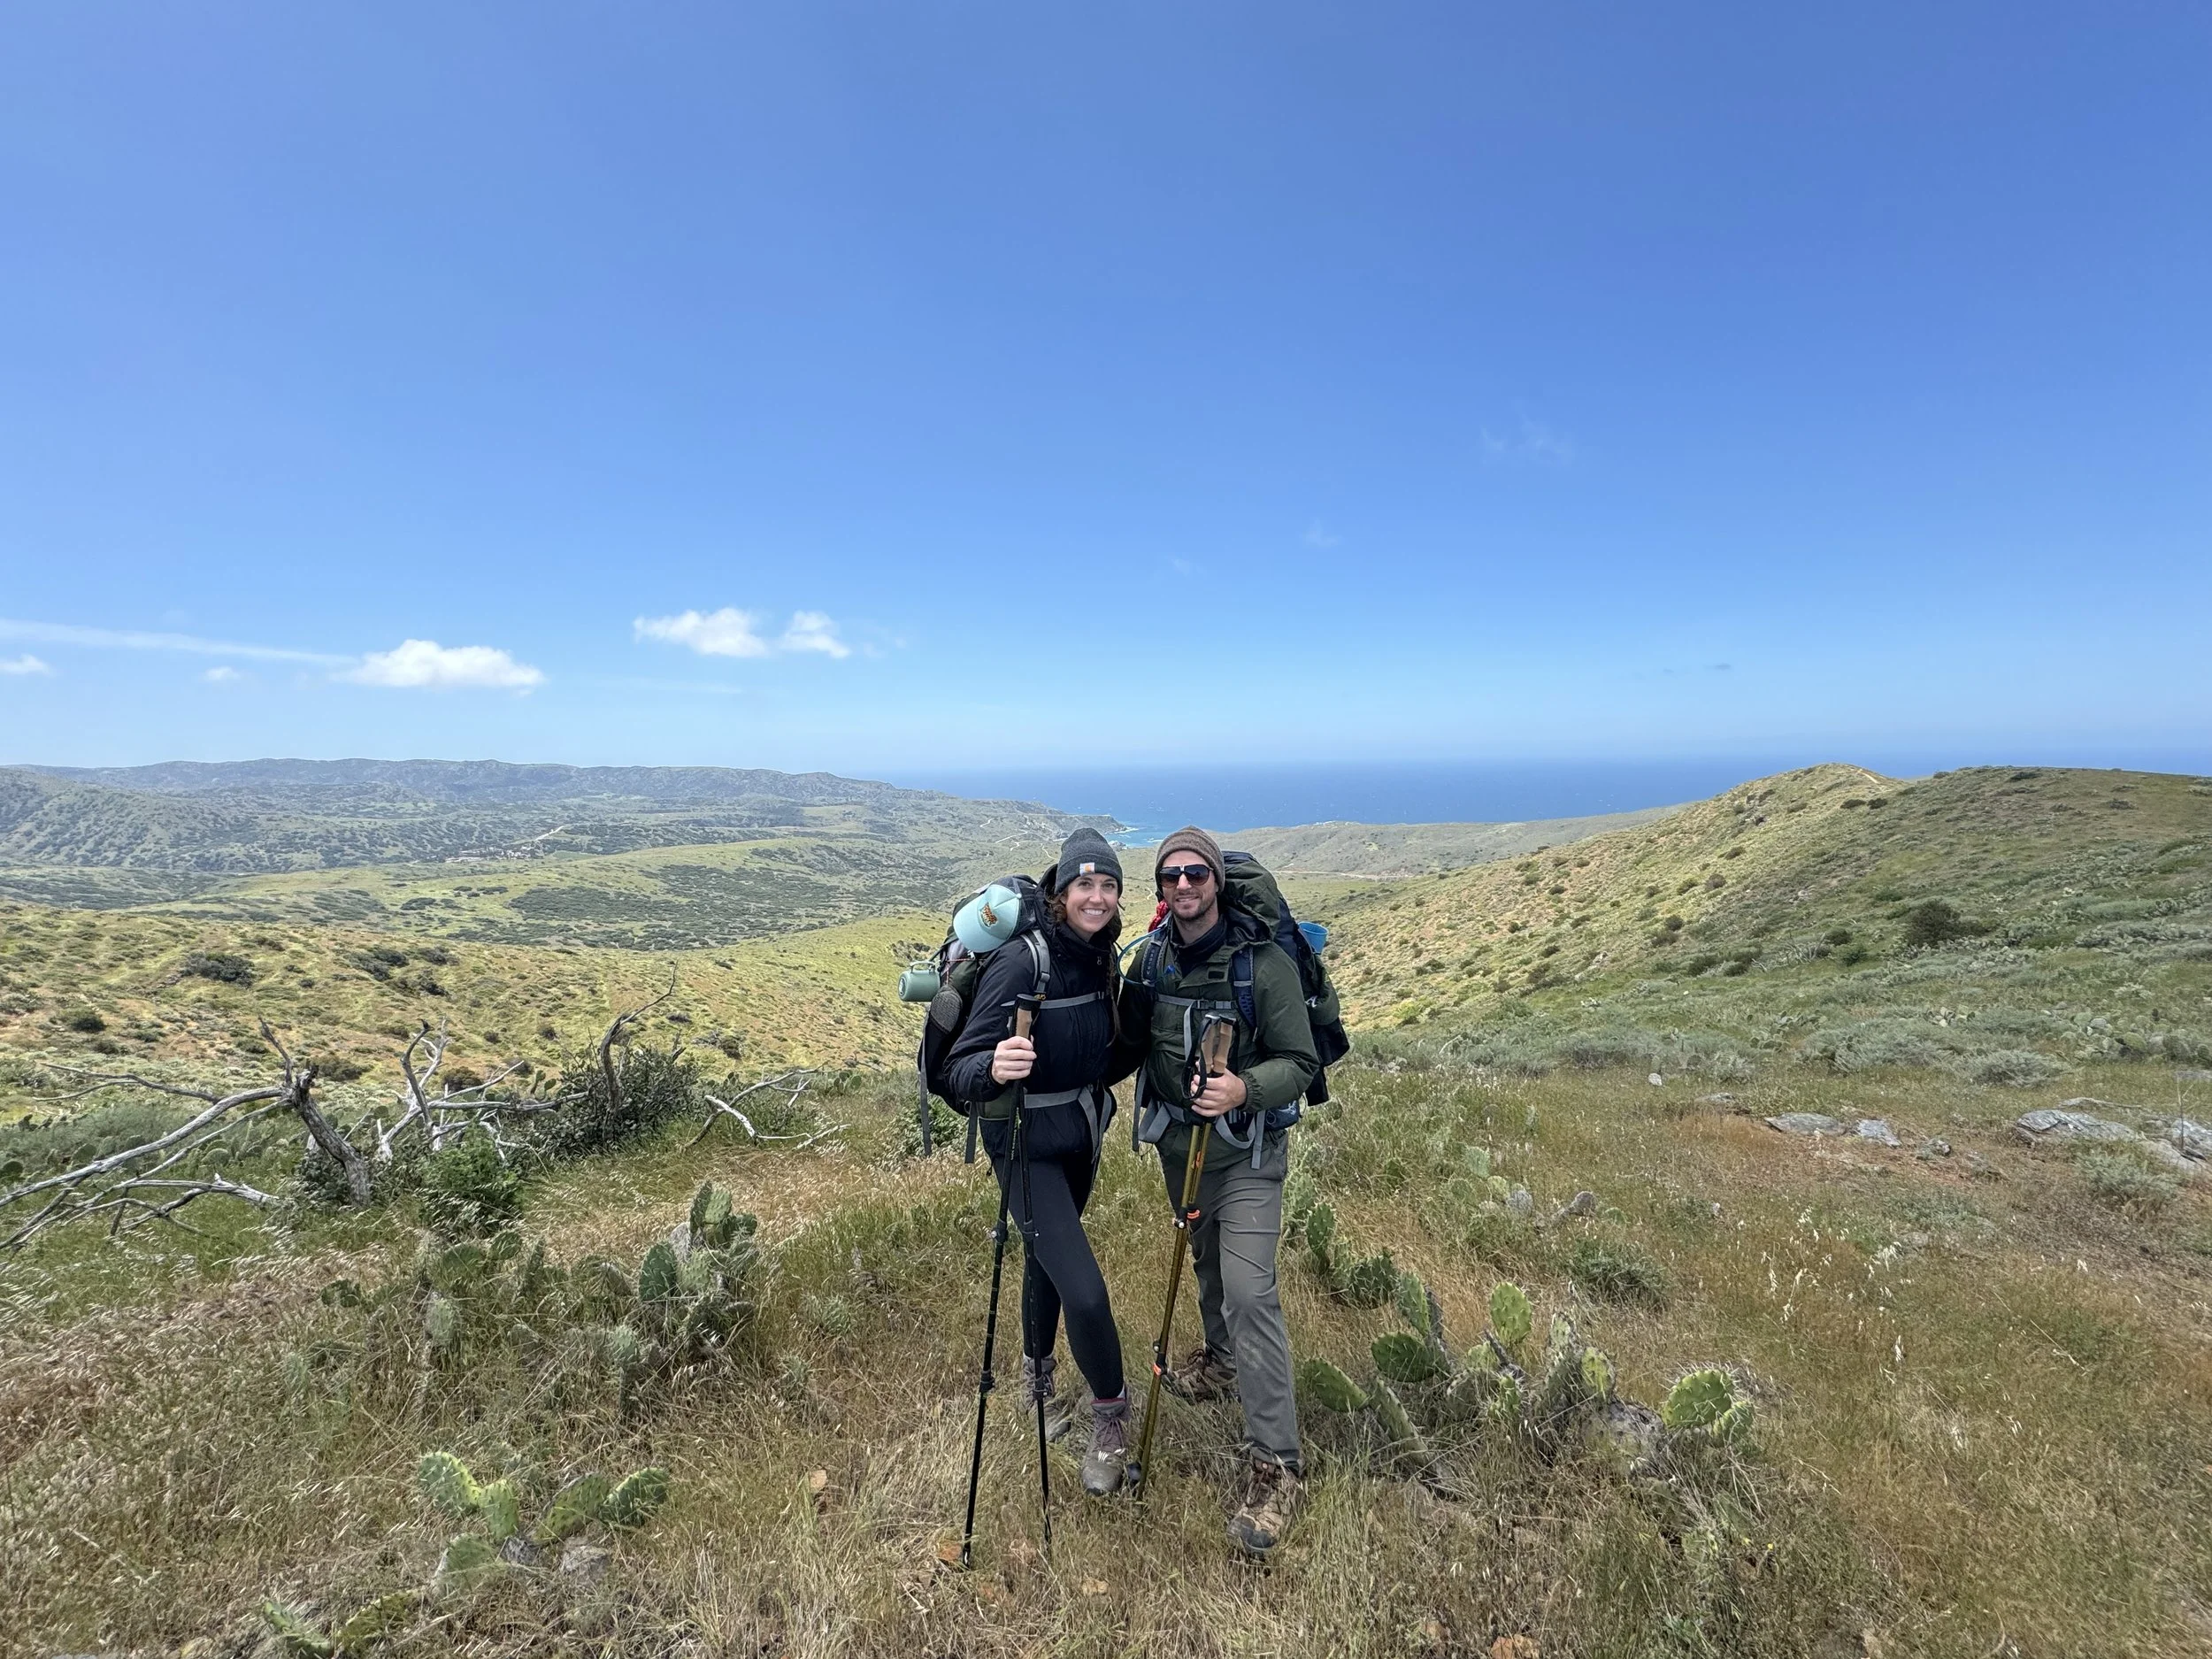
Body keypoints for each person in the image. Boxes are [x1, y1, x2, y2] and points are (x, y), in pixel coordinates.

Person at [1123, 826, 1319, 1555]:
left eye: (1196, 873)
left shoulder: (1261, 965)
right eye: (1170, 875)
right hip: (1180, 1148)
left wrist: (1244, 1086)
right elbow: (1128, 1040)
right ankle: (1221, 1358)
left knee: (1248, 1289)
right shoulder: (1151, 960)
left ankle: (1276, 1465)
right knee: (1203, 1257)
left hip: (1249, 1154)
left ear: (1217, 881)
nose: (1183, 886)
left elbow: (1299, 1060)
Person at [941, 827, 1133, 1498]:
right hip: (1022, 1142)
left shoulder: (1101, 958)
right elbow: (952, 1068)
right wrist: (992, 1065)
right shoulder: (1026, 962)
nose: (1098, 897)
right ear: (1060, 890)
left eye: (1109, 885)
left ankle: (1036, 1375)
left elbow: (1109, 1051)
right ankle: (1111, 1419)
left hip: (1079, 1135)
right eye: (1085, 884)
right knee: (1084, 1288)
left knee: (1048, 1258)